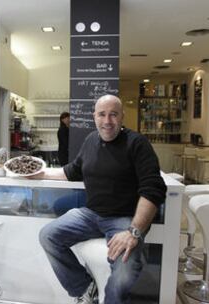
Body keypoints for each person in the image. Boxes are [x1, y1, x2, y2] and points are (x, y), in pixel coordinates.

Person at [34, 95, 167, 304]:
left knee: (125, 269)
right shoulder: (90, 140)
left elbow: (153, 189)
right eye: (102, 114)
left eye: (113, 114)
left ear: (122, 116)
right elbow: (72, 171)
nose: (107, 121)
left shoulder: (137, 143)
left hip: (125, 219)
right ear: (94, 116)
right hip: (91, 214)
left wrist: (134, 231)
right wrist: (38, 173)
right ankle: (85, 288)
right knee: (48, 236)